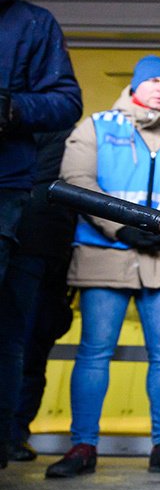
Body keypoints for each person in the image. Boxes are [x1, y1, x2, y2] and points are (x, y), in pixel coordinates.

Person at [46, 56, 160, 478]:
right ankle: (83, 445)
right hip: (106, 252)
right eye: (153, 80)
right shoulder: (98, 126)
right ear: (136, 85)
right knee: (94, 353)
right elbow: (76, 180)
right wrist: (121, 229)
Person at [0, 0, 82, 467]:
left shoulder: (33, 25)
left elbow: (64, 100)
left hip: (6, 195)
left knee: (11, 330)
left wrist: (11, 108)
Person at [4, 129, 75, 463]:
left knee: (27, 348)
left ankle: (13, 433)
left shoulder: (61, 137)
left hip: (39, 254)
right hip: (28, 248)